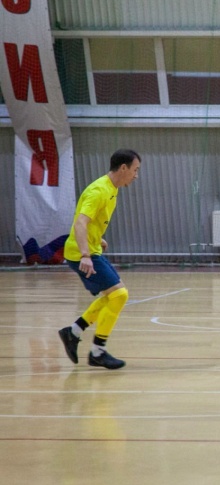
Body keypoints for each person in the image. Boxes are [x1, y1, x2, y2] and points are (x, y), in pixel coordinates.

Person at [57, 149, 141, 370]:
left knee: (114, 296)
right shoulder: (99, 190)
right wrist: (85, 255)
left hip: (91, 249)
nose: (136, 175)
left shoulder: (112, 188)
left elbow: (89, 222)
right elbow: (80, 222)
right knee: (119, 295)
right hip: (81, 253)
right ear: (123, 168)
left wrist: (97, 238)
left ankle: (74, 332)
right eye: (135, 170)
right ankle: (97, 351)